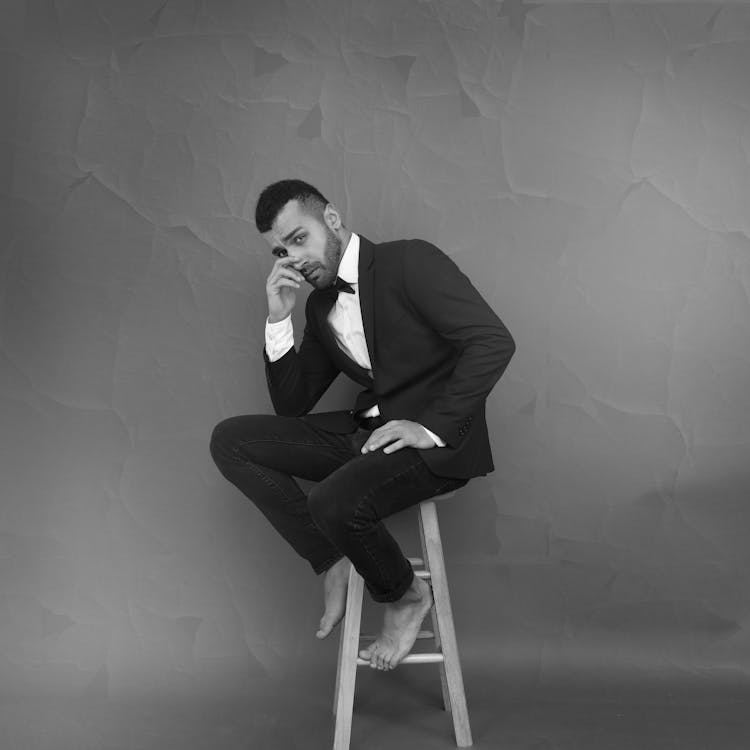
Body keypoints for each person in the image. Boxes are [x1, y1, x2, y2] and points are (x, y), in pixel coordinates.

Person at [209, 179, 515, 671]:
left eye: (299, 238)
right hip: (369, 436)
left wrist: (430, 426)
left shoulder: (409, 261)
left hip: (434, 446)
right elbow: (292, 403)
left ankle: (406, 595)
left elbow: (492, 341)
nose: (293, 258)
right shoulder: (319, 304)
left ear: (331, 220)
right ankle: (330, 558)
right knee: (232, 441)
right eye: (280, 250)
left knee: (330, 498)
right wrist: (277, 319)